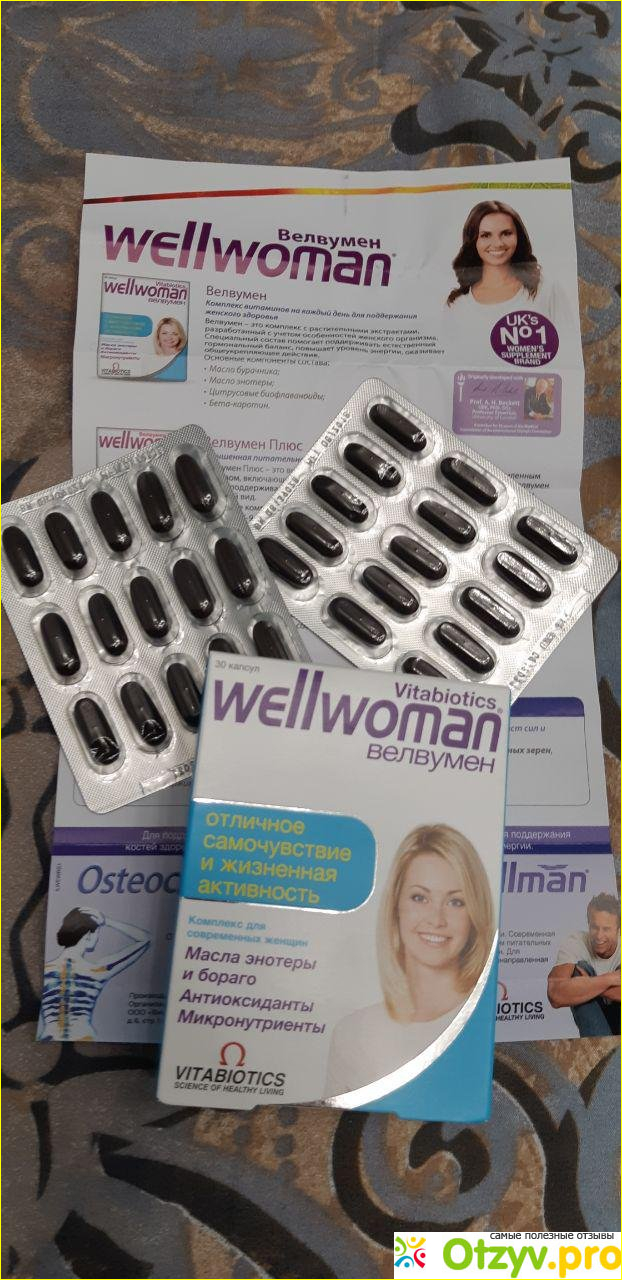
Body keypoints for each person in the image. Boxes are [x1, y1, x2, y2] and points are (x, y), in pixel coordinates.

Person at [324, 825, 494, 1097]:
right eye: (420, 898)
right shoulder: (352, 1033)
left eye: (456, 902)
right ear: (396, 907)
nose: (436, 919)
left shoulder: (489, 1024)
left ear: (475, 913)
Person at [443, 201, 568, 345]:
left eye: (506, 233)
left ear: (518, 236)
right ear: (473, 241)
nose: (498, 243)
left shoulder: (547, 290)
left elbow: (569, 346)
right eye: (486, 235)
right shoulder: (456, 305)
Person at [39, 907, 151, 1041]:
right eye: (97, 933)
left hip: (49, 1038)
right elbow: (145, 939)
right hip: (83, 1037)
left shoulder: (45, 970)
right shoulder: (97, 971)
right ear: (88, 935)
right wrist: (107, 921)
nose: (97, 938)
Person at [547, 893, 620, 1036]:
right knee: (578, 969)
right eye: (594, 927)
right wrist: (610, 979)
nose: (599, 935)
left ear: (618, 930)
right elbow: (555, 995)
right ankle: (599, 1045)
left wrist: (584, 985)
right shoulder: (575, 941)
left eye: (606, 929)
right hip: (595, 1029)